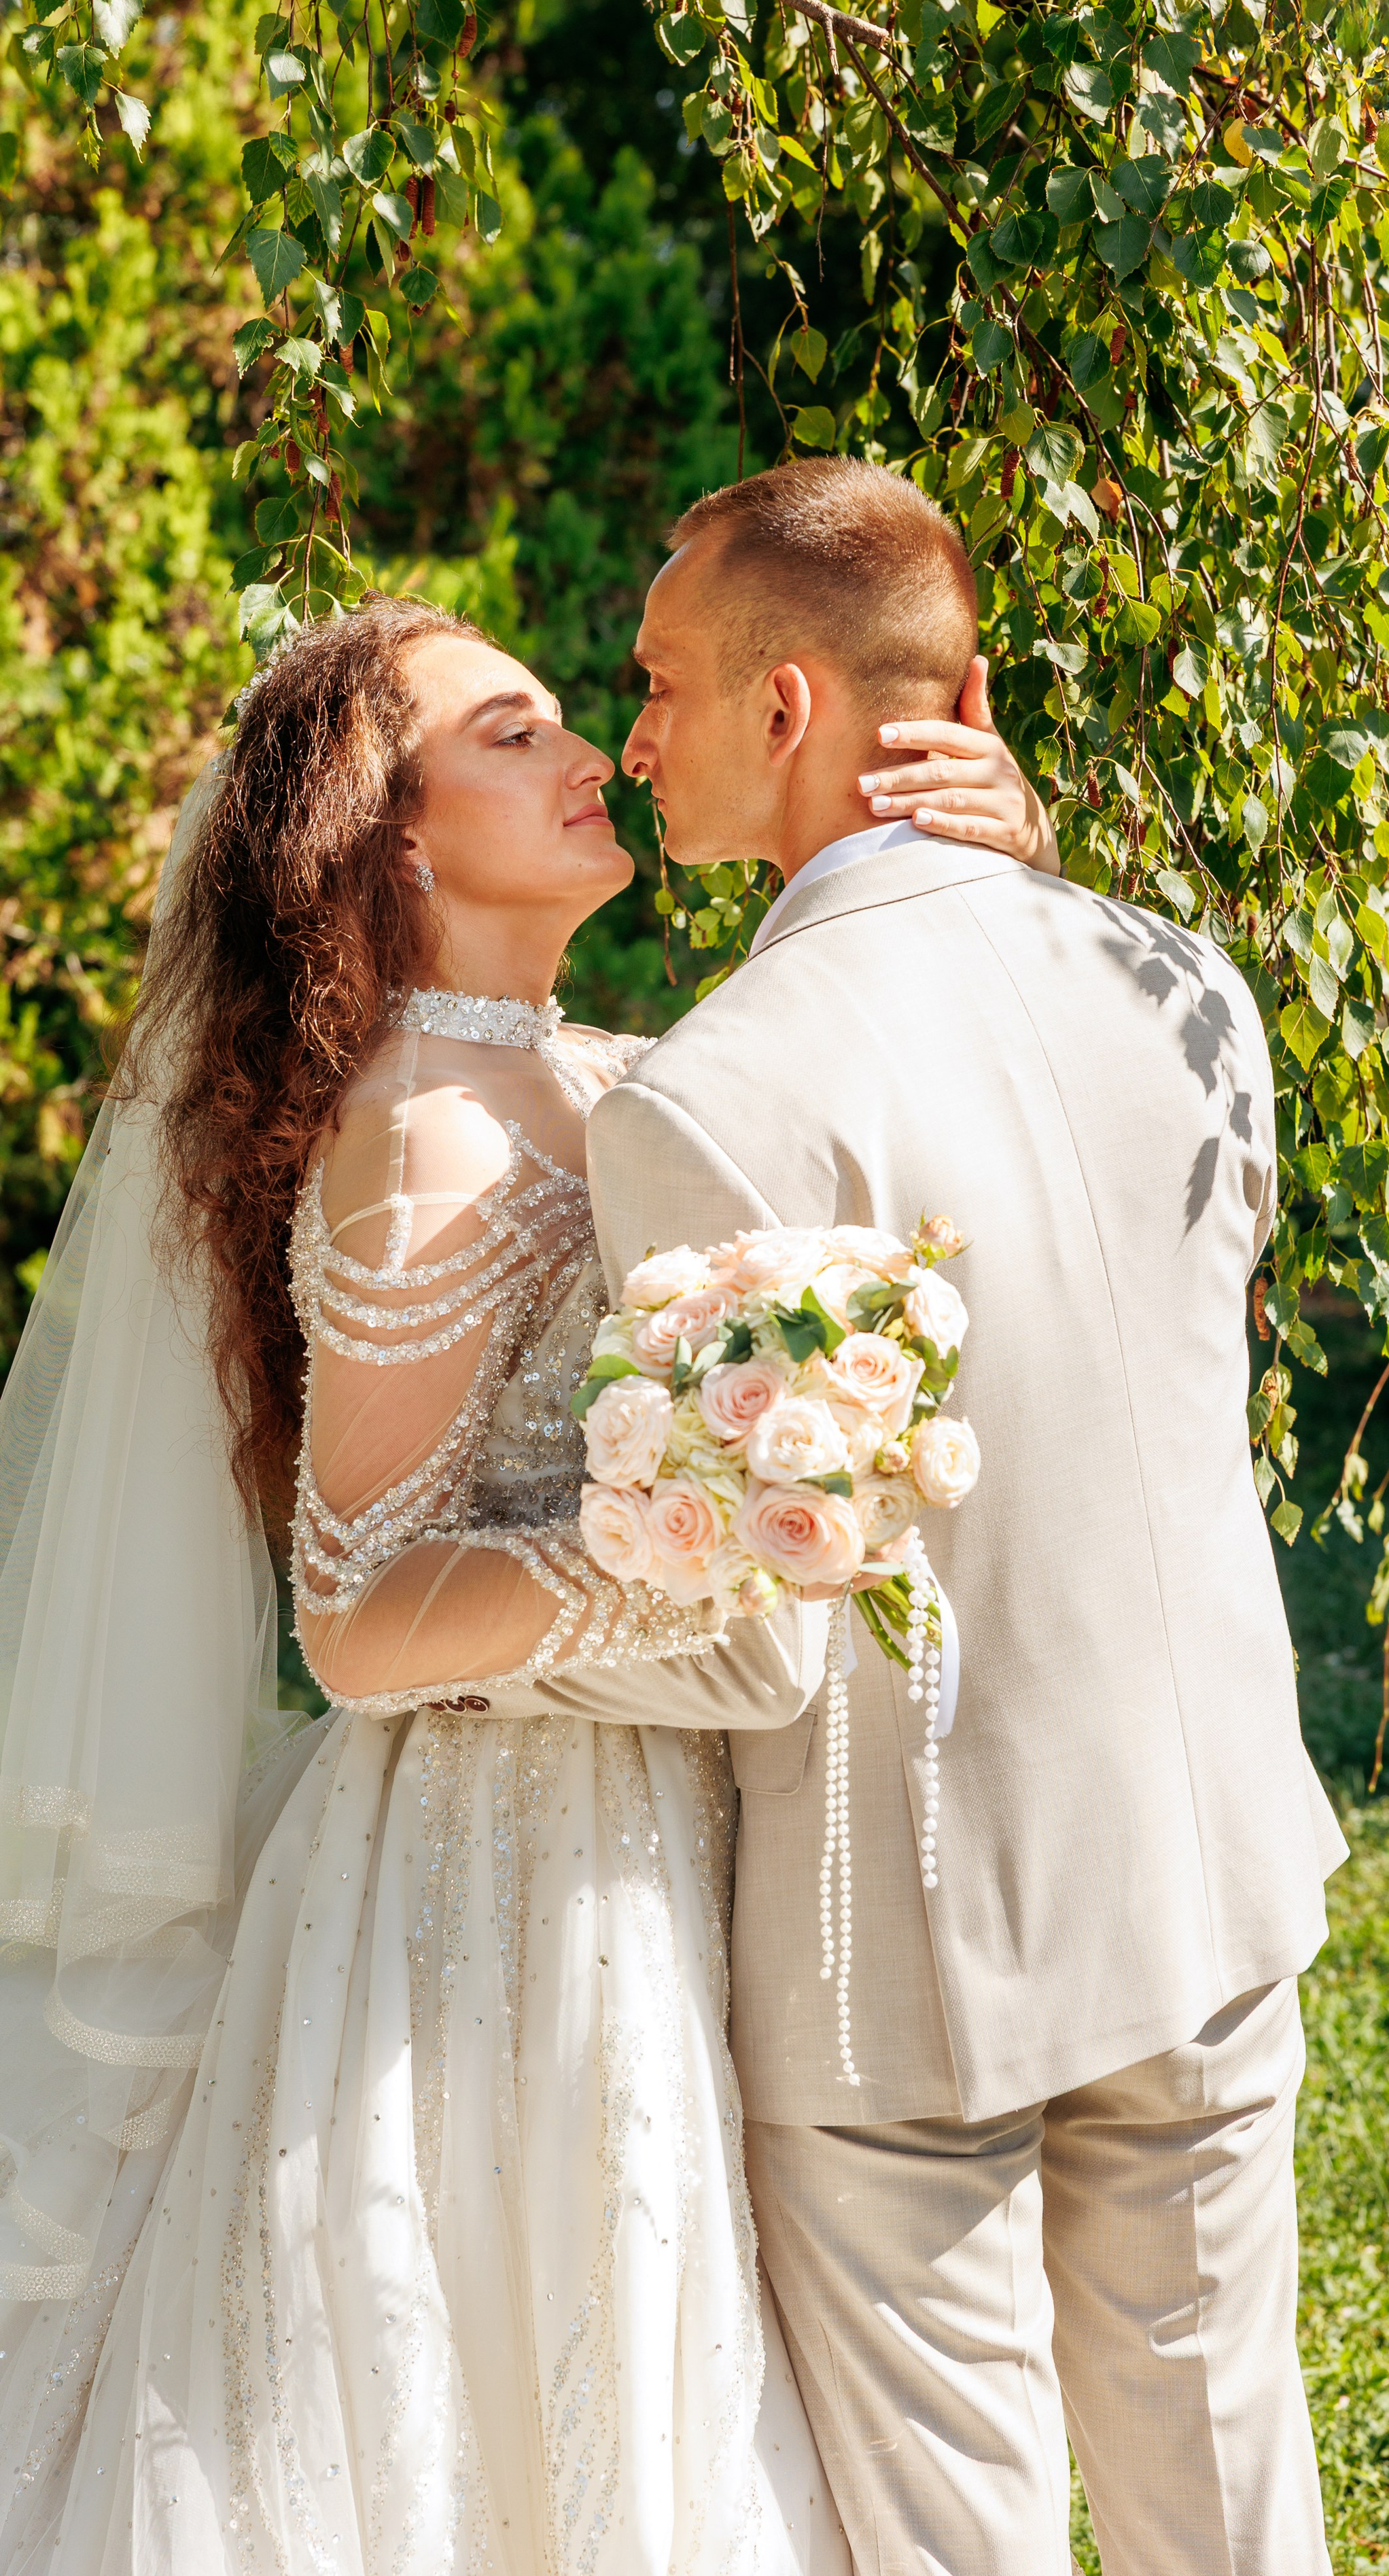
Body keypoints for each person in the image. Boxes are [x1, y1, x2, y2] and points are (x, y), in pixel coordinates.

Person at [0, 592, 1049, 2574]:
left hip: (644, 1819)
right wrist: (684, 1544)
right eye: (513, 735)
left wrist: (989, 858)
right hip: (501, 1875)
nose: (589, 757)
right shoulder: (421, 1142)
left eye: (572, 720)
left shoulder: (598, 1070)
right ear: (392, 839)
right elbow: (351, 1618)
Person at [586, 459, 1351, 2575]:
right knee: (1235, 2510)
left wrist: (446, 1668)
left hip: (898, 1948)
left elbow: (742, 1621)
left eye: (657, 684)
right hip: (1206, 1862)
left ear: (789, 708)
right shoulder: (1186, 982)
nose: (632, 738)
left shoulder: (711, 1094)